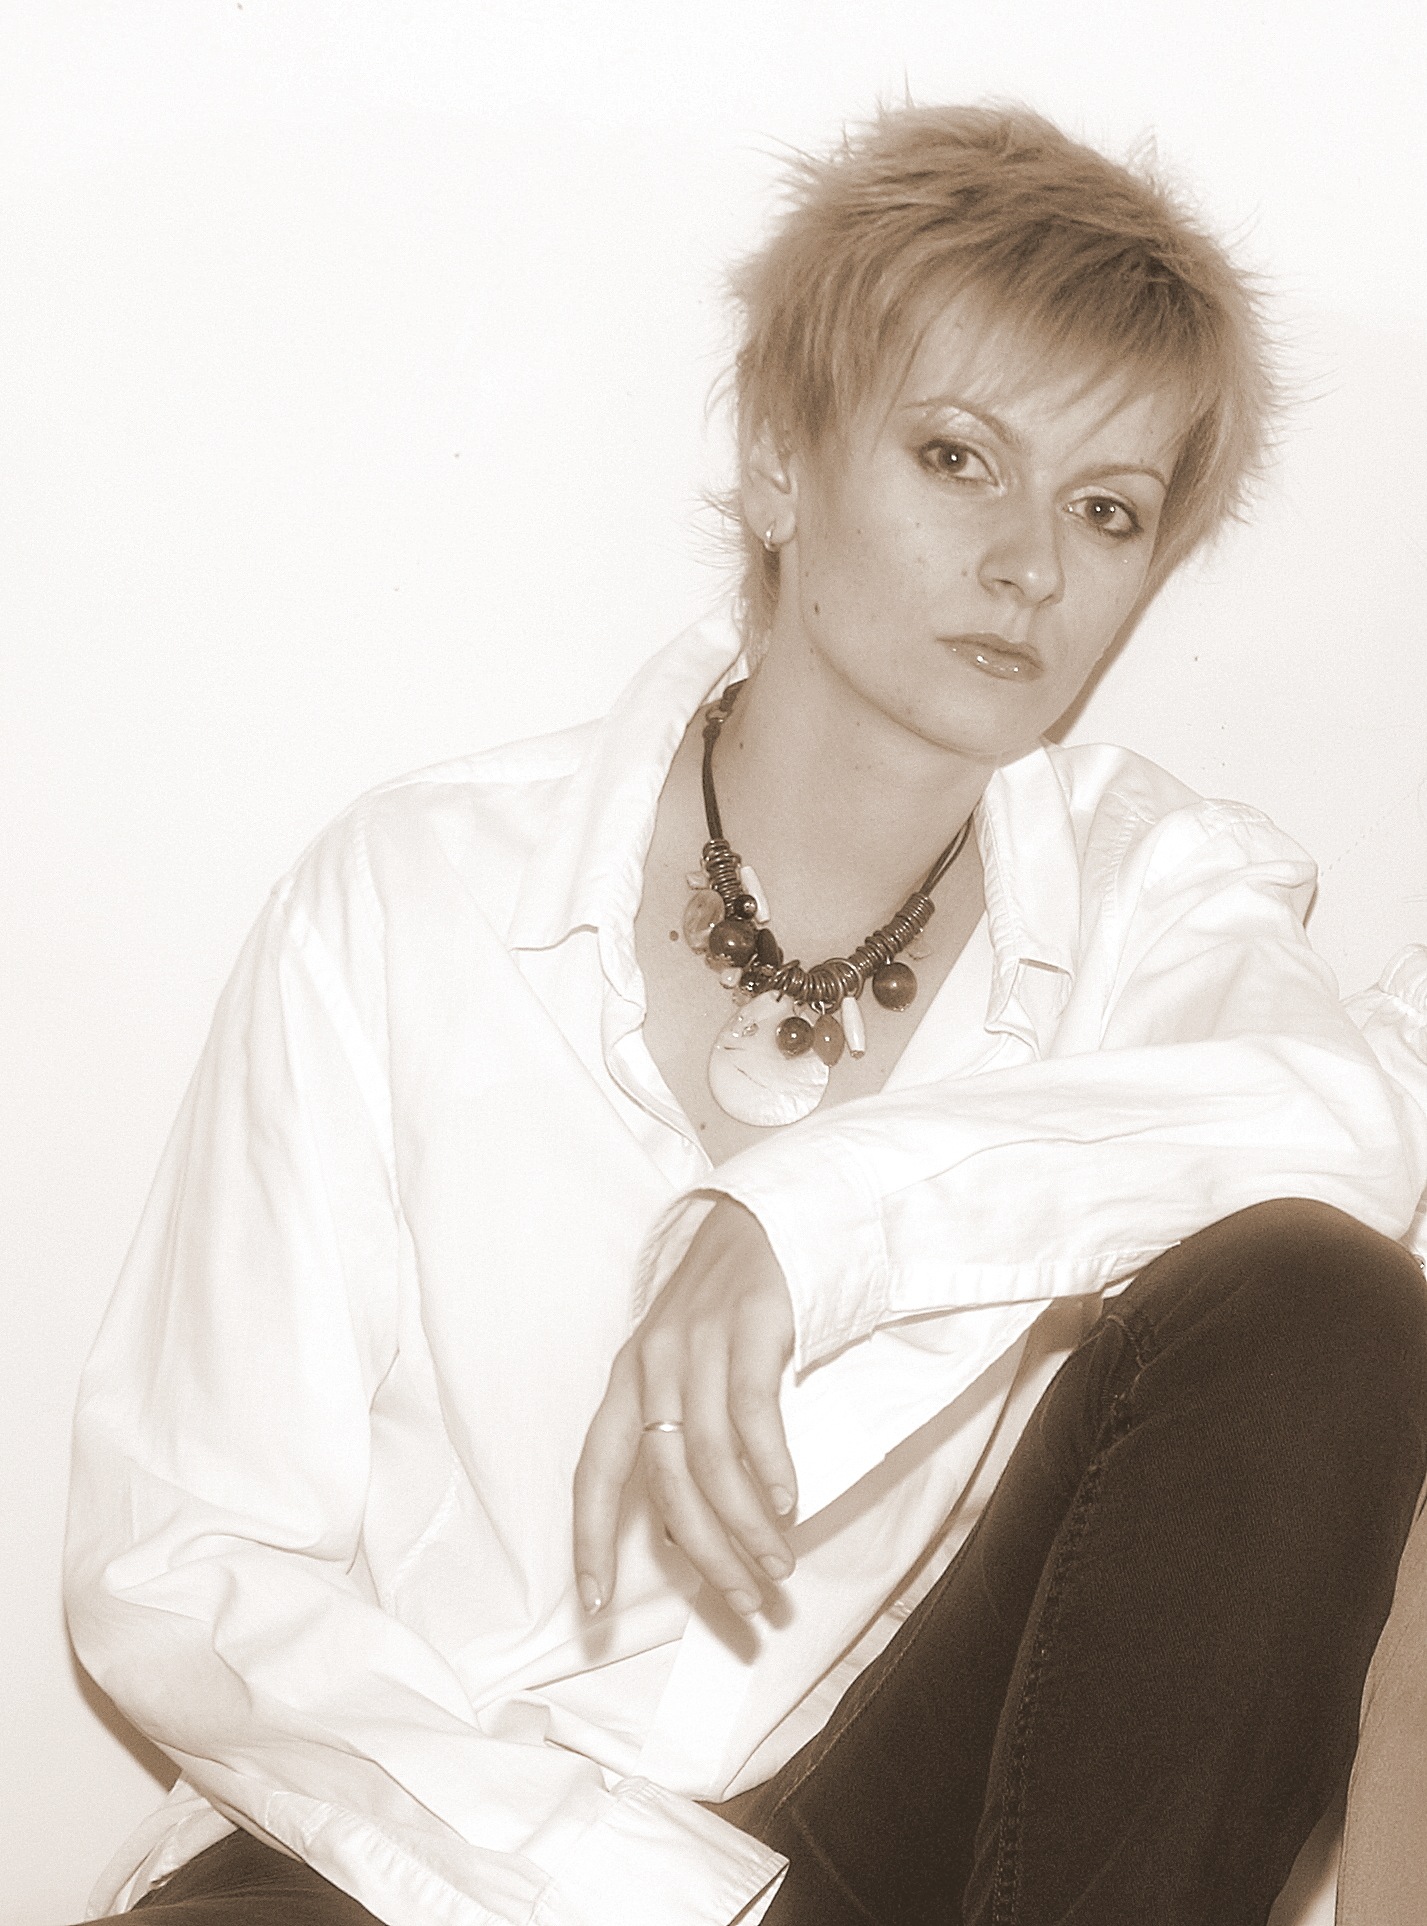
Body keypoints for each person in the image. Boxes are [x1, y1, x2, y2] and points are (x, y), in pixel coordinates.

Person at [63, 103, 1427, 1926]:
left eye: (1106, 508)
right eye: (959, 457)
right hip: (433, 1844)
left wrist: (809, 1225)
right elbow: (185, 1555)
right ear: (779, 462)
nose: (1032, 562)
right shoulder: (412, 895)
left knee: (1320, 1297)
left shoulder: (1155, 895)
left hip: (891, 1824)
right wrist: (657, 1894)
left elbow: (1342, 1125)